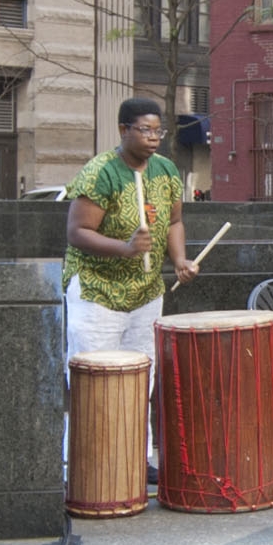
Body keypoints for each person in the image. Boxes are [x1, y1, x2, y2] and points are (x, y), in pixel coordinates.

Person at [63, 97, 196, 462]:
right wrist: (124, 247)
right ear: (123, 130)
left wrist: (180, 260)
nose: (154, 138)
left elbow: (173, 222)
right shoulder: (100, 172)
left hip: (146, 293)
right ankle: (81, 467)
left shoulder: (167, 170)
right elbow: (77, 231)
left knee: (141, 381)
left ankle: (136, 461)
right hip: (97, 292)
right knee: (94, 383)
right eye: (145, 130)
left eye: (159, 131)